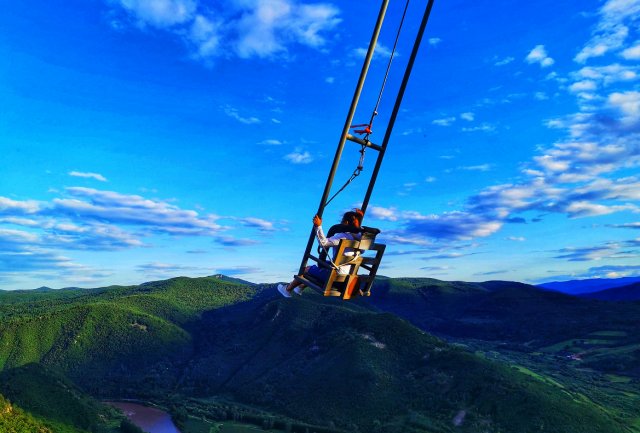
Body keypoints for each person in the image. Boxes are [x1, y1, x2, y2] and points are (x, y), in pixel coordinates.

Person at [277, 210, 363, 297]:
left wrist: (318, 226)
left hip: (336, 278)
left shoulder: (342, 236)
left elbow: (323, 243)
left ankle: (288, 289)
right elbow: (361, 247)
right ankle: (300, 287)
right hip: (349, 277)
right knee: (320, 266)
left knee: (306, 269)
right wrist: (358, 219)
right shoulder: (361, 240)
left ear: (345, 222)